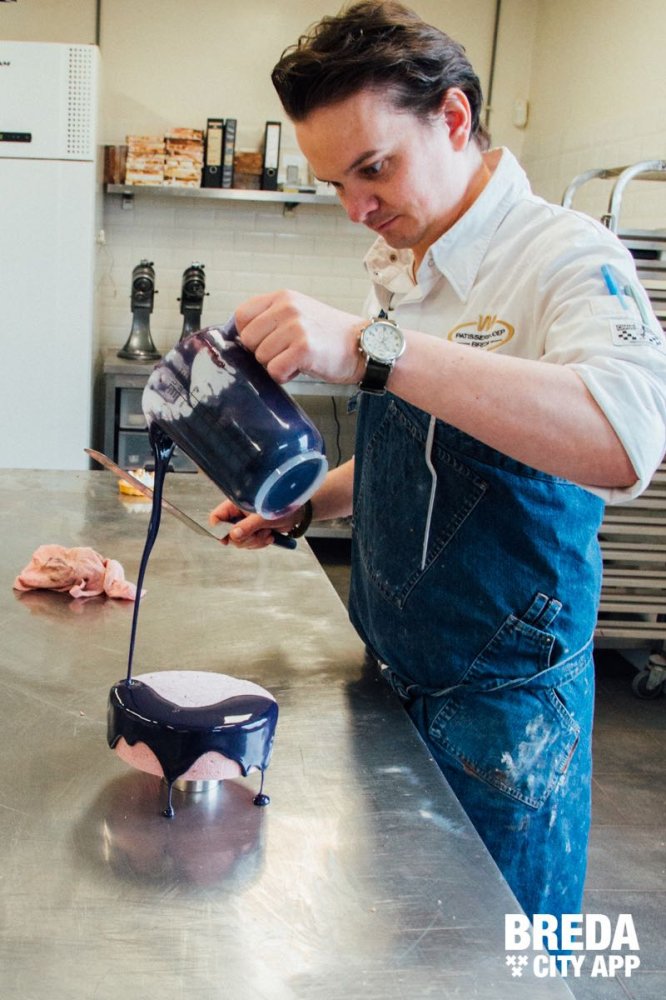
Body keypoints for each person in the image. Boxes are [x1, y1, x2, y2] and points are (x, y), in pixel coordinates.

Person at [209, 0, 666, 927]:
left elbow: (626, 443)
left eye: (373, 168)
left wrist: (372, 348)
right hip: (389, 669)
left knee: (502, 960)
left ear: (454, 117)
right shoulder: (403, 263)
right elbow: (425, 460)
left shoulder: (563, 255)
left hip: (506, 718)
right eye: (336, 182)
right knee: (401, 945)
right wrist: (310, 503)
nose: (357, 208)